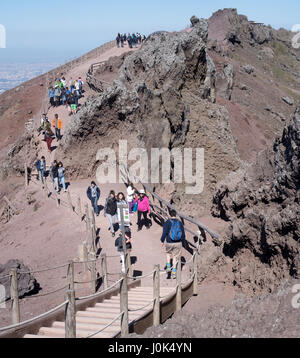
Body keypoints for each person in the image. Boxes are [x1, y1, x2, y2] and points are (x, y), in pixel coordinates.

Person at [160, 209, 185, 279]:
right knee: (175, 257)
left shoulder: (167, 222)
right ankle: (174, 272)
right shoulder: (179, 223)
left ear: (169, 214)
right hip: (178, 242)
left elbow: (164, 232)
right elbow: (183, 233)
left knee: (168, 254)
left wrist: (162, 240)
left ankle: (168, 267)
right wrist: (182, 242)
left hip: (169, 242)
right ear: (176, 215)